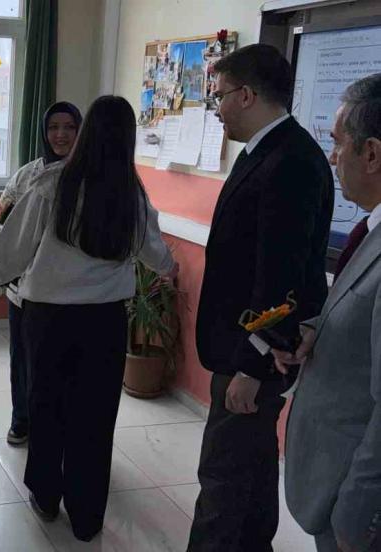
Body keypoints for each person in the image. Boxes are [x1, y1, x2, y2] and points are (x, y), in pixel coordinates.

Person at [0, 96, 177, 541]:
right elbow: (159, 258)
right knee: (95, 417)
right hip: (105, 323)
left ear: (85, 132)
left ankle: (45, 495)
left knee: (47, 406)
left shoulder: (51, 184)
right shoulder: (131, 193)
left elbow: (13, 254)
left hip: (49, 320)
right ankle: (87, 515)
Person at [188, 44, 334, 552]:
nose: (218, 108)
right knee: (250, 472)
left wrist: (253, 364)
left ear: (247, 95)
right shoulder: (263, 151)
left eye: (220, 96)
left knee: (222, 478)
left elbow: (282, 275)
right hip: (242, 347)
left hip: (253, 356)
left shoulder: (291, 161)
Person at [274, 73, 381, 552]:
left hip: (354, 497)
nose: (333, 158)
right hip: (332, 475)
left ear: (371, 154)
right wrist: (319, 330)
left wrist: (358, 512)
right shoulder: (370, 231)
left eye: (338, 143)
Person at [0, 101, 82, 445]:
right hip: (22, 288)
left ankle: (59, 426)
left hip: (67, 293)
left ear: (80, 131)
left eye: (69, 127)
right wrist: (14, 241)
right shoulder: (27, 174)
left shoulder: (88, 175)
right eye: (53, 127)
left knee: (61, 365)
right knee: (22, 359)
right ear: (44, 133)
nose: (61, 135)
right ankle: (22, 420)